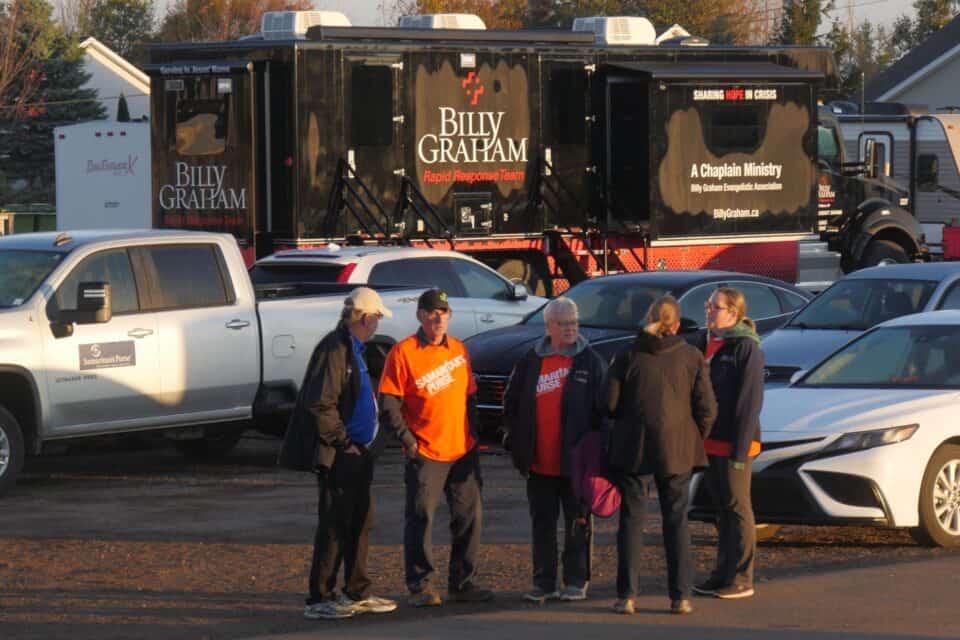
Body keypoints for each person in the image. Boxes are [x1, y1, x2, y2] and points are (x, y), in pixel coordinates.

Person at [281, 287, 398, 621]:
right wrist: (343, 441)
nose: (377, 322)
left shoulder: (355, 348)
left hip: (359, 453)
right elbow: (320, 402)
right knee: (334, 523)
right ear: (363, 317)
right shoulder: (334, 349)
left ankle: (356, 591)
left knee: (361, 521)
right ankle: (320, 596)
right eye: (375, 316)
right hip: (341, 454)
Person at [379, 288, 493, 607]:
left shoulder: (458, 350)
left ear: (449, 316)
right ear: (420, 316)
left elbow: (470, 396)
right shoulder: (403, 353)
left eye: (443, 312)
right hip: (426, 452)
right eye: (431, 312)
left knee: (469, 517)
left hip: (462, 449)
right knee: (421, 518)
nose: (437, 318)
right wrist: (408, 441)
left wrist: (473, 434)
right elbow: (388, 402)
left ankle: (463, 583)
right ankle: (420, 584)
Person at [605, 296, 717, 615]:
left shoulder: (627, 355)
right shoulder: (692, 356)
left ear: (647, 319)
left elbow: (609, 404)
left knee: (631, 520)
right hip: (677, 446)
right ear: (677, 324)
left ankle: (626, 595)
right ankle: (680, 596)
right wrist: (693, 436)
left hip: (633, 446)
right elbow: (707, 408)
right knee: (676, 520)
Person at [501, 297, 607, 605]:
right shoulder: (531, 360)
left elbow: (604, 413)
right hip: (539, 464)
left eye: (575, 322)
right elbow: (512, 402)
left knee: (578, 525)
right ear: (549, 327)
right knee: (542, 525)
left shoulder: (591, 362)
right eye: (565, 323)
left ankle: (575, 581)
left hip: (577, 465)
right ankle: (543, 583)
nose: (572, 328)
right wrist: (513, 439)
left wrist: (598, 456)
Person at [693, 287, 765, 600]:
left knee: (737, 508)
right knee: (720, 510)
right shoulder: (705, 342)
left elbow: (749, 402)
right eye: (708, 305)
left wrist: (739, 450)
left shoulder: (745, 348)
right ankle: (721, 574)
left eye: (716, 307)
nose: (709, 311)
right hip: (709, 442)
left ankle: (742, 577)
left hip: (735, 443)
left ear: (733, 313)